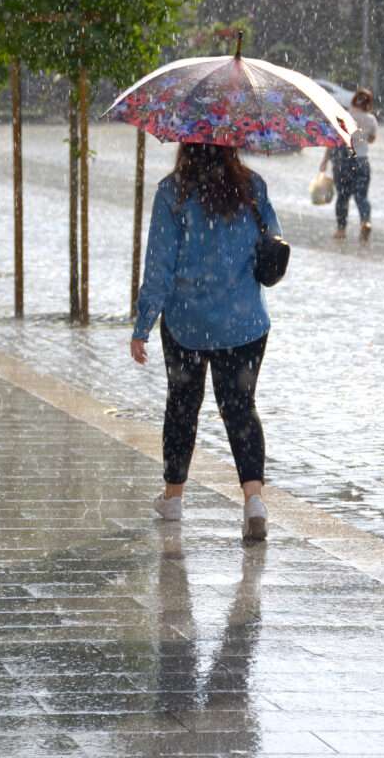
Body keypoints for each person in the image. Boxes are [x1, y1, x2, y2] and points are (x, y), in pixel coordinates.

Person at [130, 142, 281, 542]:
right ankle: (254, 501)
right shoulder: (253, 187)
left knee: (183, 405)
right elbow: (274, 242)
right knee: (241, 408)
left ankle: (174, 497)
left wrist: (143, 323)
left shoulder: (172, 192)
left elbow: (160, 263)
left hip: (187, 323)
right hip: (244, 322)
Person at [319, 87, 378, 241]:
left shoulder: (343, 117)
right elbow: (371, 139)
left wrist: (325, 161)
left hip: (343, 161)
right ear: (368, 103)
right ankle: (365, 221)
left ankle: (341, 230)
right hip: (362, 160)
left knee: (343, 197)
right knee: (361, 196)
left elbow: (333, 141)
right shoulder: (371, 119)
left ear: (354, 100)